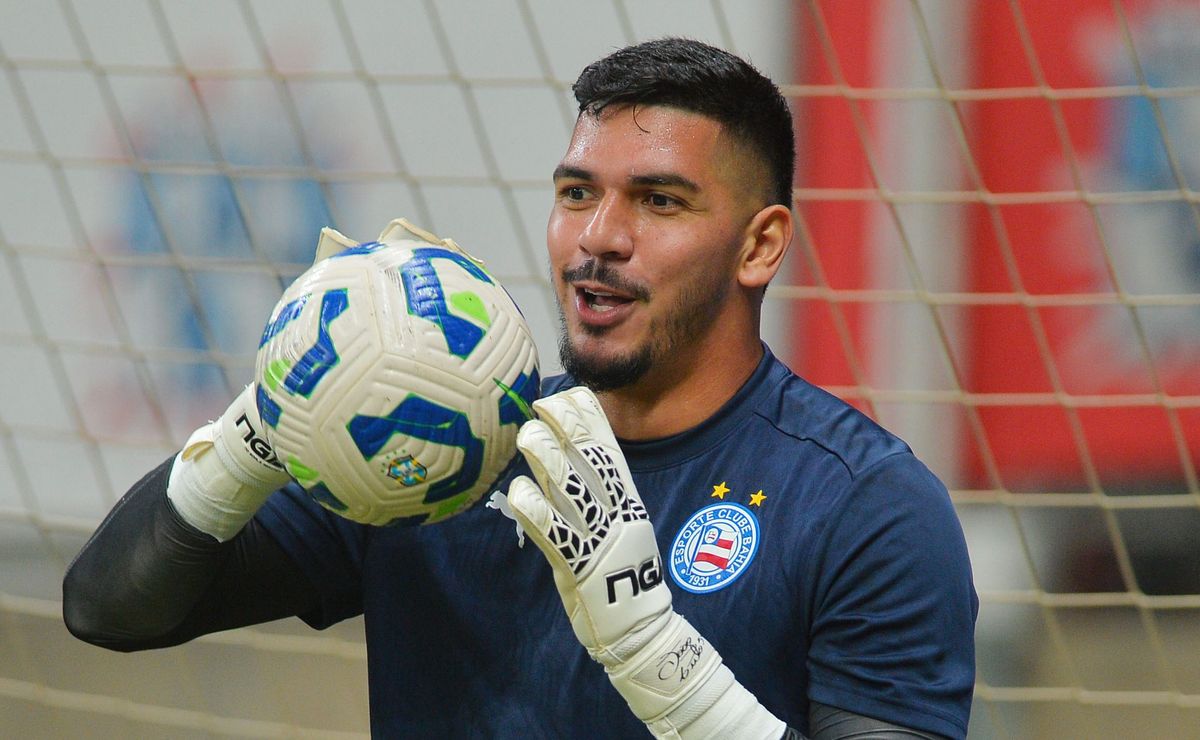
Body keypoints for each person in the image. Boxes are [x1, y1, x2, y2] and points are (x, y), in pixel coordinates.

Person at [63, 38, 977, 739]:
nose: (598, 239)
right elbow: (108, 609)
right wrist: (259, 429)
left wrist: (660, 662)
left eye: (658, 201)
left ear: (761, 244)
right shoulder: (434, 436)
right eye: (578, 193)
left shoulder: (867, 506)